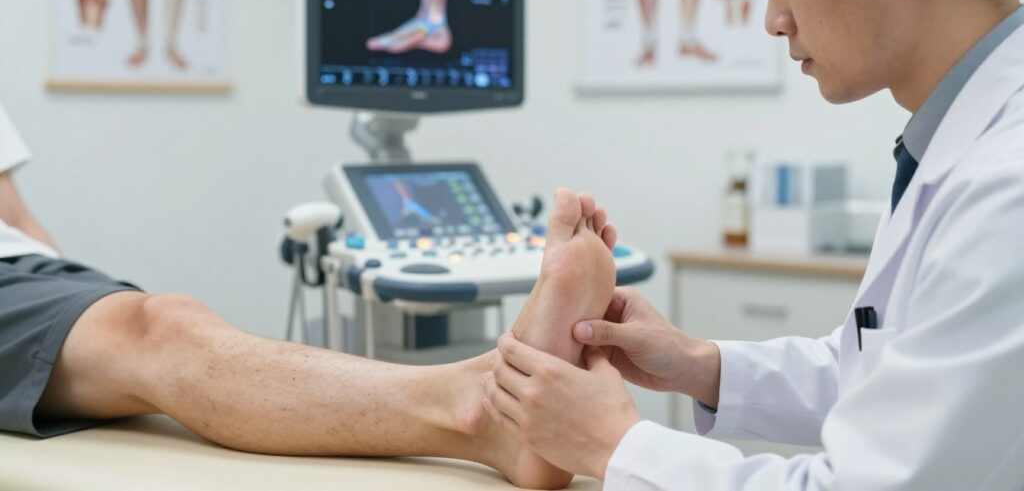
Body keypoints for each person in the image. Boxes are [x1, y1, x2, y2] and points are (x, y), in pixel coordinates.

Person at [483, 0, 1024, 489]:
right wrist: (701, 365)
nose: (773, 19)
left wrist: (615, 444)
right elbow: (894, 377)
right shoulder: (961, 144)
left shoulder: (1006, 188)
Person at [0, 98, 619, 490]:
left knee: (153, 328)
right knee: (168, 329)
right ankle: (477, 412)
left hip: (33, 271)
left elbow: (15, 216)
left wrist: (73, 306)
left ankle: (489, 403)